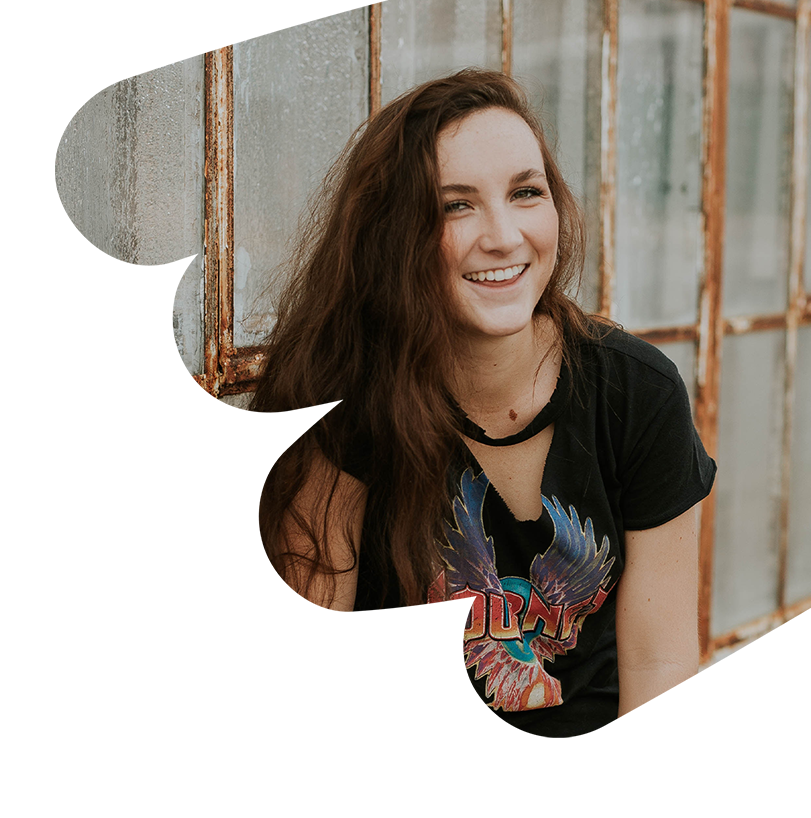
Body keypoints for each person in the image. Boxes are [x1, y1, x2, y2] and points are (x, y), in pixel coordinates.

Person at [252, 68, 717, 737]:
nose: (503, 236)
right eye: (456, 205)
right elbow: (312, 658)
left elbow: (661, 664)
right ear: (395, 235)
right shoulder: (346, 398)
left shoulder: (637, 394)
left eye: (526, 193)